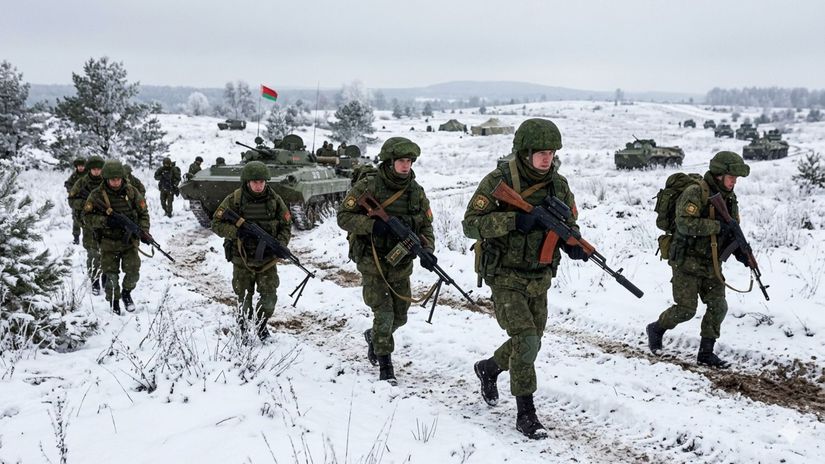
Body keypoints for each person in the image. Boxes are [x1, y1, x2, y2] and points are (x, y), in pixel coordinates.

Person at [462, 118, 587, 440]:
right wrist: (514, 220)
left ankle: (489, 368)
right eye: (539, 153)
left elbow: (568, 224)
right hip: (504, 274)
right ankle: (526, 413)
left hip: (539, 275)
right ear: (523, 152)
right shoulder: (499, 181)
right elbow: (471, 225)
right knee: (527, 340)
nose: (546, 159)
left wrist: (573, 245)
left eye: (551, 152)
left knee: (529, 342)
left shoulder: (558, 186)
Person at [337, 137, 436, 386]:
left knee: (399, 317)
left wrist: (427, 250)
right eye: (401, 161)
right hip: (372, 261)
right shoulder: (369, 186)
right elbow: (344, 217)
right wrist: (373, 226)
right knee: (384, 314)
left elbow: (426, 225)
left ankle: (374, 337)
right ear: (390, 162)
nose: (406, 165)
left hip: (401, 263)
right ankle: (385, 366)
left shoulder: (416, 192)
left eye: (409, 161)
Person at [646, 151, 751, 369]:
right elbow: (684, 223)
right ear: (719, 174)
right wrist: (716, 226)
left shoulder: (730, 198)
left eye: (736, 178)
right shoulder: (696, 192)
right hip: (686, 261)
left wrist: (742, 253)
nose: (734, 181)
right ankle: (656, 329)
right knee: (686, 310)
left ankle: (706, 353)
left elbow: (732, 230)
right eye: (731, 176)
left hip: (711, 263)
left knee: (718, 306)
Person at [211, 161, 292, 341]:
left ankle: (261, 325)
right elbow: (216, 224)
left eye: (262, 181)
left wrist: (280, 244)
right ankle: (243, 326)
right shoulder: (235, 199)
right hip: (241, 259)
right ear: (247, 182)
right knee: (244, 297)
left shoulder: (274, 200)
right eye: (255, 182)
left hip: (267, 260)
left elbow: (286, 225)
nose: (259, 185)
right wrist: (237, 232)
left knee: (269, 299)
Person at [83, 160, 151, 314]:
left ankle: (126, 294)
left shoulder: (131, 192)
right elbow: (86, 218)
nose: (116, 182)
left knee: (133, 273)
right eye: (113, 179)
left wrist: (144, 231)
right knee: (111, 279)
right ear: (106, 178)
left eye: (118, 179)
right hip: (108, 243)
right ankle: (114, 303)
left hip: (129, 242)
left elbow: (143, 214)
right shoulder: (97, 195)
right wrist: (105, 221)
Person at [69, 155, 106, 295]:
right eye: (94, 169)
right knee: (92, 253)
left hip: (105, 224)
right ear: (90, 169)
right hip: (89, 224)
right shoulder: (81, 183)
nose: (97, 172)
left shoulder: (107, 182)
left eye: (99, 169)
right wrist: (87, 203)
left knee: (106, 253)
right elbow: (71, 200)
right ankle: (95, 281)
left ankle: (105, 277)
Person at [64, 157, 86, 244]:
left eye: (82, 166)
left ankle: (88, 238)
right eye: (79, 166)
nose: (81, 168)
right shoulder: (74, 175)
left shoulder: (88, 175)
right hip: (76, 201)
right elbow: (68, 184)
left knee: (87, 218)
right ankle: (76, 237)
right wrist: (72, 191)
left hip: (86, 200)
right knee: (76, 219)